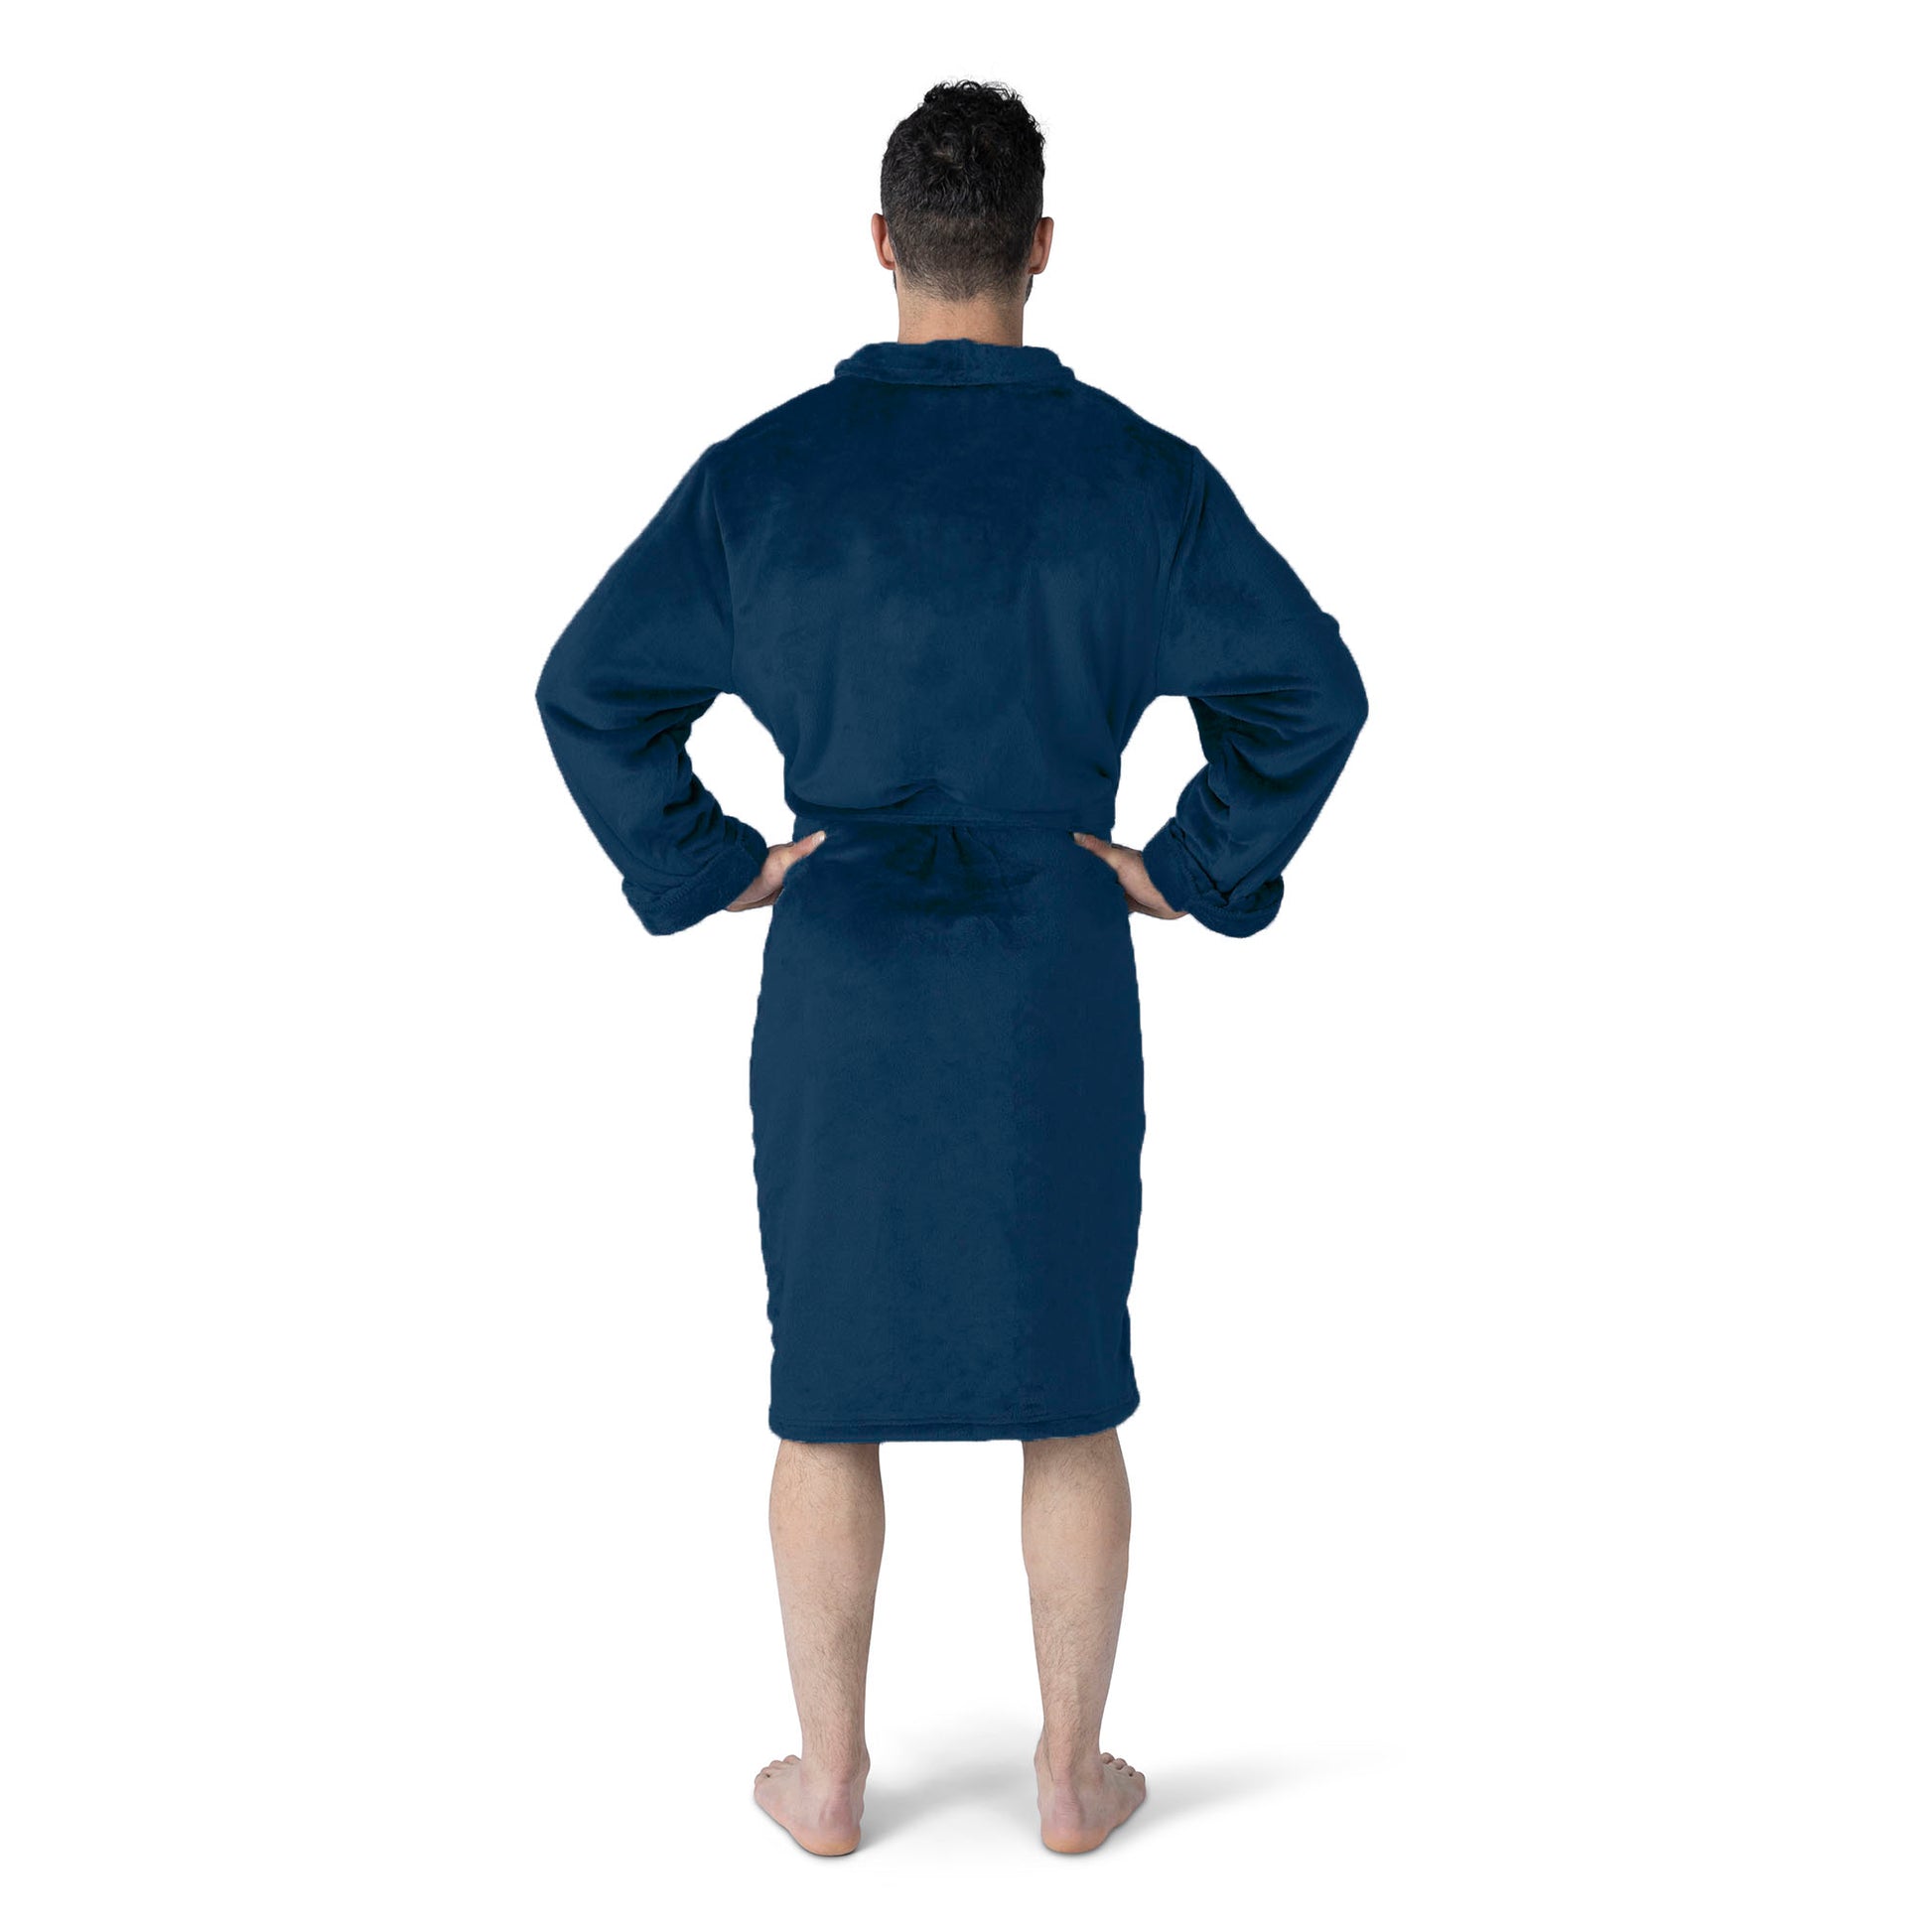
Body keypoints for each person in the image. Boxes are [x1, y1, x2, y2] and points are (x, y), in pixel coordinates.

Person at [535, 79, 1368, 1857]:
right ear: (1039, 248)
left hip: (841, 973)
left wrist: (712, 862)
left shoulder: (764, 477)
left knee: (824, 1388)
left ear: (882, 244)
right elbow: (1311, 690)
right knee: (1069, 1380)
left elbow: (589, 687)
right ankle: (1070, 1777)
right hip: (1049, 971)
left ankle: (829, 1779)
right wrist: (1190, 868)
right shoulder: (1138, 477)